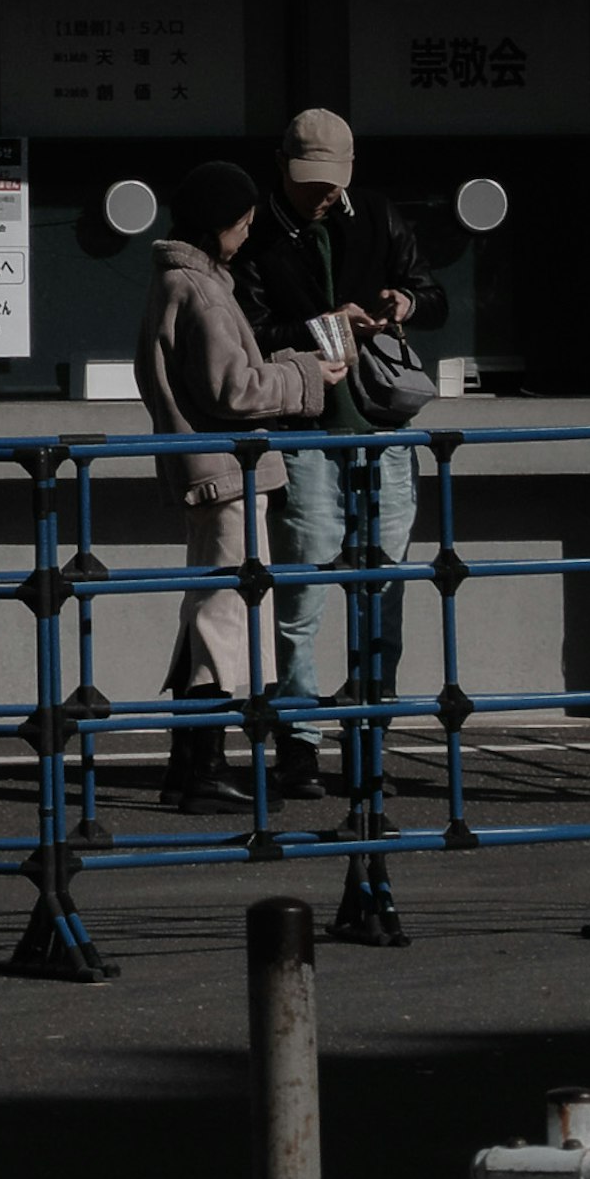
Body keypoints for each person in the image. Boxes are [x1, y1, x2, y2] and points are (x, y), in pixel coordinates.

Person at [242, 107, 444, 798]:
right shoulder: (257, 229)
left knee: (382, 588)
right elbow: (252, 328)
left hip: (380, 427)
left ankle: (370, 739)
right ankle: (299, 742)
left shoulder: (380, 216)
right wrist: (322, 325)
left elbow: (434, 291)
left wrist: (404, 300)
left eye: (330, 181)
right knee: (302, 591)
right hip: (303, 426)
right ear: (281, 165)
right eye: (307, 181)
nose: (319, 193)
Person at [134, 167, 338, 813]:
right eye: (242, 219)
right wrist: (309, 378)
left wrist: (294, 367)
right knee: (227, 616)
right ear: (214, 222)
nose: (248, 230)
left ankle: (188, 762)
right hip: (228, 471)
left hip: (201, 468)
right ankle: (205, 768)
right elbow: (235, 391)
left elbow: (225, 377)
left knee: (208, 609)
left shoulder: (177, 280)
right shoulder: (203, 289)